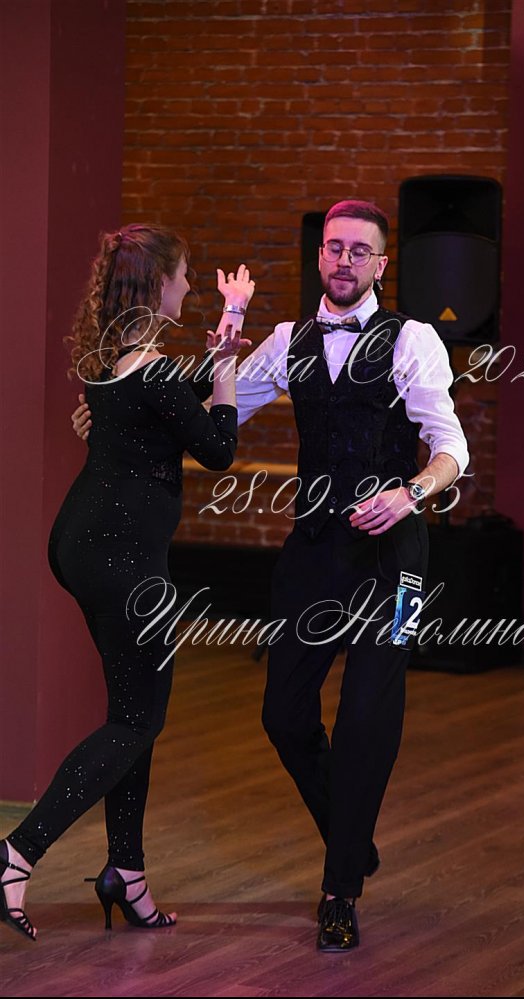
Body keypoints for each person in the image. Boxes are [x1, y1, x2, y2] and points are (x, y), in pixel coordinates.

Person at [71, 201, 469, 952]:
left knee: (366, 719)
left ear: (382, 264)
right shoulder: (289, 342)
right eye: (334, 248)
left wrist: (411, 493)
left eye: (360, 251)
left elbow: (450, 446)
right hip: (315, 548)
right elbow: (206, 417)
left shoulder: (413, 339)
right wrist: (117, 415)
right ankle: (351, 838)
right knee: (284, 715)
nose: (345, 261)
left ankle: (339, 888)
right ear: (320, 257)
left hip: (393, 557)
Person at [0, 224, 254, 942]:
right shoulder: (154, 374)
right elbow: (220, 448)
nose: (190, 287)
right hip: (122, 559)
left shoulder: (115, 364)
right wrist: (227, 369)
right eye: (185, 276)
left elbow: (177, 397)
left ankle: (126, 874)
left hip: (82, 543)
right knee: (137, 721)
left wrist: (227, 332)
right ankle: (17, 852)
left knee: (131, 713)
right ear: (158, 284)